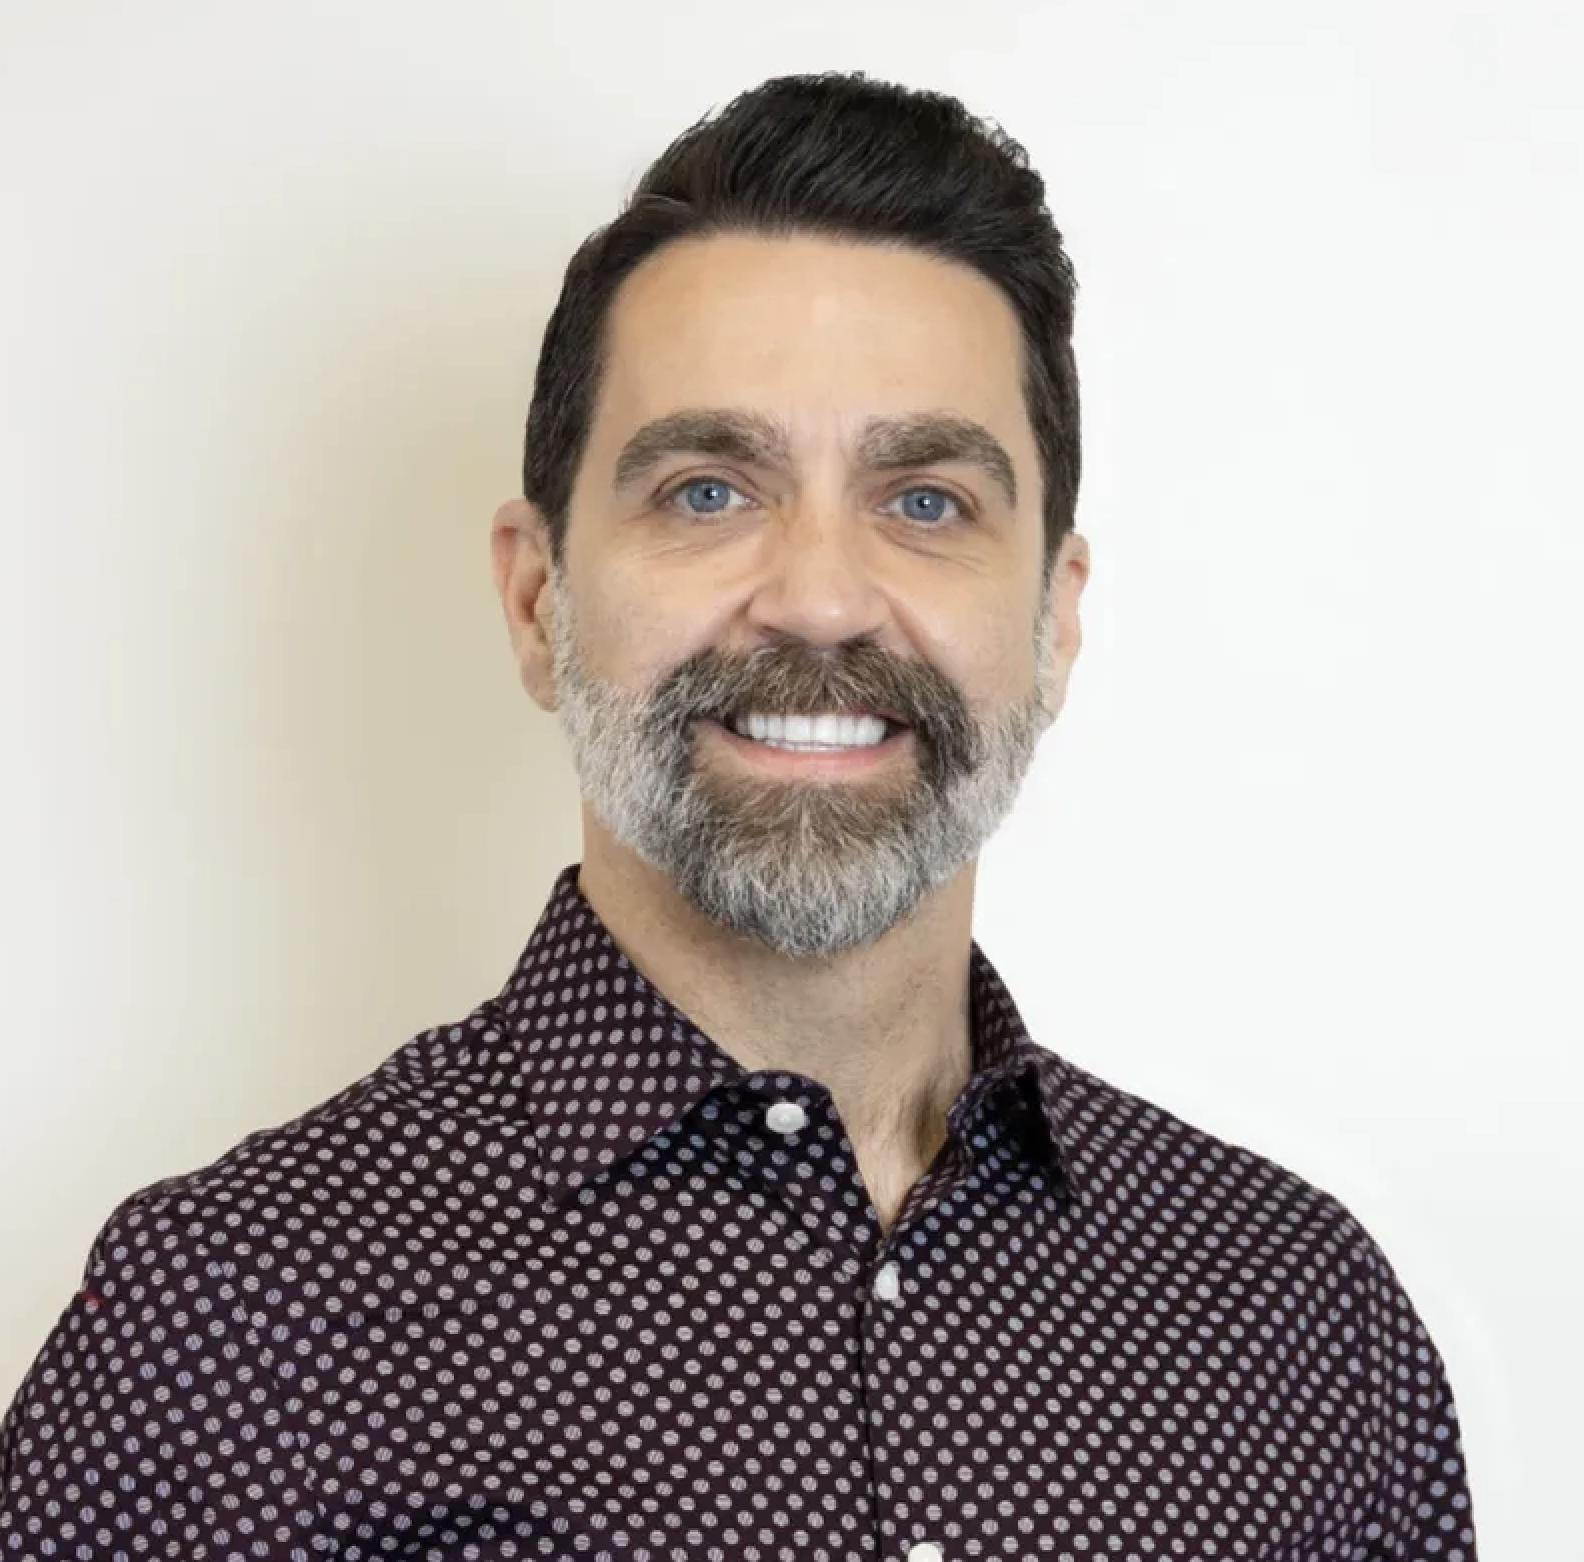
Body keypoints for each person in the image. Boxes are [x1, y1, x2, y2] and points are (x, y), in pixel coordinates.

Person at [0, 70, 1477, 1561]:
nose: (821, 598)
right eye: (709, 491)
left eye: (926, 500)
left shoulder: (1304, 1325)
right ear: (537, 598)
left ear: (1055, 621)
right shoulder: (232, 1330)